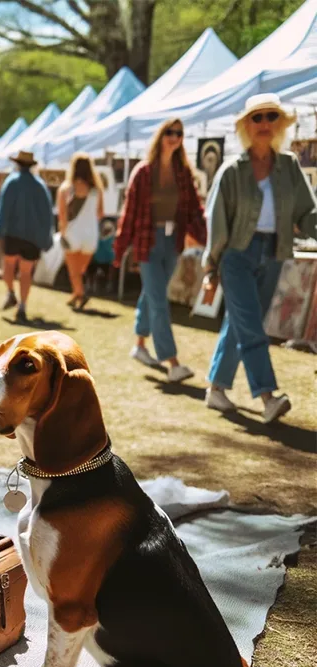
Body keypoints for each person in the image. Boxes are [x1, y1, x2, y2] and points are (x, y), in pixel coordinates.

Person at [202, 93, 317, 423]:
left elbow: (307, 213)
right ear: (245, 126)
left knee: (240, 324)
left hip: (276, 252)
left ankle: (216, 389)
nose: (264, 123)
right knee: (251, 325)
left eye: (271, 116)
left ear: (279, 124)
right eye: (257, 117)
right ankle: (267, 396)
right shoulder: (231, 171)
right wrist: (211, 266)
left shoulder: (289, 167)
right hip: (236, 255)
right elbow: (218, 222)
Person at [114, 118, 206, 383]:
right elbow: (128, 214)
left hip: (173, 241)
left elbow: (194, 209)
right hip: (148, 240)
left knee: (152, 294)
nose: (174, 137)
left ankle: (140, 345)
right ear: (160, 135)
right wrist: (120, 250)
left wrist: (205, 237)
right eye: (170, 132)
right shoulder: (143, 172)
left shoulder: (183, 172)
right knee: (158, 300)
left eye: (179, 133)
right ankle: (172, 362)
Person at [0, 150, 53, 323]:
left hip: (12, 234)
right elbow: (47, 214)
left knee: (9, 266)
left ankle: (11, 293)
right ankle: (23, 306)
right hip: (32, 237)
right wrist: (46, 238)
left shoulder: (11, 182)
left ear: (17, 164)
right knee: (26, 272)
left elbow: (2, 209)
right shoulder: (40, 185)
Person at [57, 152, 104, 310]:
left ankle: (81, 295)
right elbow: (100, 213)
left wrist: (62, 231)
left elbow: (62, 215)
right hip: (91, 234)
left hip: (72, 234)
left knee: (74, 271)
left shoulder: (66, 188)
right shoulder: (96, 190)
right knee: (80, 270)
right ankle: (75, 295)